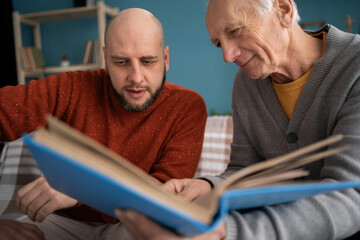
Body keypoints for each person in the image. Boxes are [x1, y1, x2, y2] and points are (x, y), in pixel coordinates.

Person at [117, 0, 360, 239]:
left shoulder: (354, 65)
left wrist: (228, 233)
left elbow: (350, 195)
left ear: (283, 11)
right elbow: (246, 171)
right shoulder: (246, 84)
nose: (227, 55)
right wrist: (209, 186)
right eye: (218, 43)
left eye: (235, 31)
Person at [0, 8, 207, 240]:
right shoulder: (70, 88)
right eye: (120, 62)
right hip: (61, 220)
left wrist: (80, 188)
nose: (136, 77)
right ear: (105, 58)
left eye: (148, 61)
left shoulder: (188, 106)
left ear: (166, 58)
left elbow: (164, 192)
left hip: (134, 221)